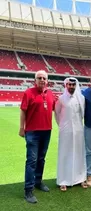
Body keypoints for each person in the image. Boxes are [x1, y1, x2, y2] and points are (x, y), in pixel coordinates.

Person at [19, 70, 55, 203]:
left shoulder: (50, 93)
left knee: (41, 159)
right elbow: (23, 111)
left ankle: (38, 182)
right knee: (32, 161)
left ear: (47, 80)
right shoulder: (28, 93)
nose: (42, 80)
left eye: (44, 78)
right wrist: (21, 128)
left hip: (47, 131)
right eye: (39, 78)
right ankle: (28, 190)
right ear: (35, 80)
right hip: (32, 132)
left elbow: (58, 109)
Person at [54, 77, 87, 191]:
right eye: (69, 85)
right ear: (66, 85)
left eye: (73, 85)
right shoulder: (61, 99)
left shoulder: (81, 98)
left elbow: (82, 115)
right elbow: (57, 114)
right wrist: (62, 126)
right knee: (64, 154)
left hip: (78, 131)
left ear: (75, 86)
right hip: (65, 131)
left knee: (79, 154)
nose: (71, 87)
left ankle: (80, 179)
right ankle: (63, 181)